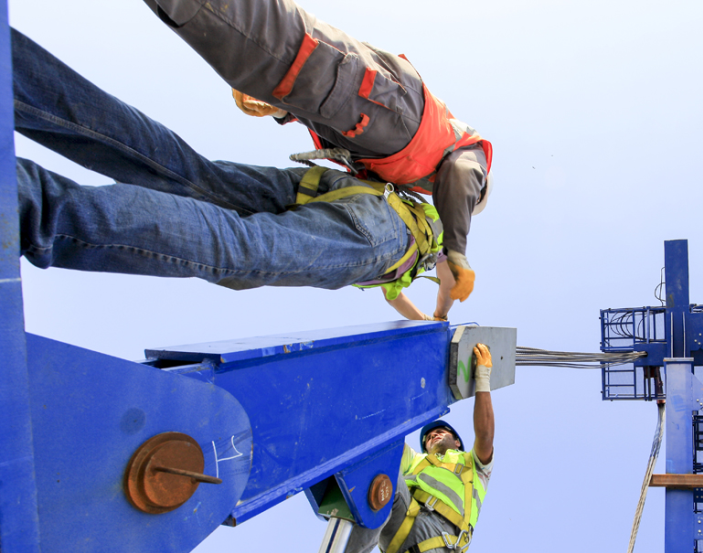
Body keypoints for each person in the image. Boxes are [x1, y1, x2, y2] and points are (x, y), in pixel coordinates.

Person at [13, 30, 446, 320]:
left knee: (187, 173)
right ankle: (29, 205)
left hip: (332, 191)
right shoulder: (428, 248)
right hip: (381, 232)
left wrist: (420, 319)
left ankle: (17, 76)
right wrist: (440, 317)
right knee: (243, 251)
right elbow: (446, 274)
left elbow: (399, 300)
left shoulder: (398, 275)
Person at [142, 0, 493, 321]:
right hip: (379, 114)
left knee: (251, 60)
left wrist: (437, 320)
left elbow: (395, 299)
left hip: (353, 118)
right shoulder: (463, 161)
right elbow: (461, 178)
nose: (447, 200)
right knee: (269, 43)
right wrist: (456, 253)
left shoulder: (398, 172)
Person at [335, 344, 495, 553]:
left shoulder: (473, 466)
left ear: (457, 442)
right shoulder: (418, 461)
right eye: (429, 436)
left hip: (440, 539)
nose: (433, 435)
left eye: (441, 432)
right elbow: (387, 438)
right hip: (403, 518)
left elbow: (485, 435)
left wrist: (482, 378)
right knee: (381, 462)